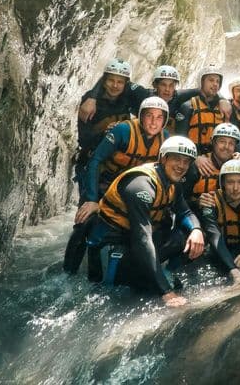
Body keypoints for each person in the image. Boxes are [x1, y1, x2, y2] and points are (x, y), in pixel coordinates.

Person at [85, 136, 205, 307]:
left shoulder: (172, 184)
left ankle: (159, 274)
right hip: (112, 249)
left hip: (135, 245)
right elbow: (142, 238)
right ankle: (152, 280)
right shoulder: (141, 185)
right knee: (157, 289)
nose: (181, 166)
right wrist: (166, 292)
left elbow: (185, 211)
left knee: (185, 235)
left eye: (186, 162)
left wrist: (196, 230)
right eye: (177, 159)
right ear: (163, 158)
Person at [64, 96, 170, 279]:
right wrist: (91, 199)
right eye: (149, 116)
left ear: (164, 120)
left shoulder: (165, 140)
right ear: (141, 116)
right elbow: (95, 161)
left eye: (159, 117)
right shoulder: (123, 130)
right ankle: (68, 273)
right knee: (84, 222)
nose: (153, 122)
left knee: (162, 223)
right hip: (104, 185)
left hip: (132, 190)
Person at [78, 64, 199, 134]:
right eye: (163, 84)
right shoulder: (143, 95)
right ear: (155, 85)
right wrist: (92, 97)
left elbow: (204, 90)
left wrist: (219, 100)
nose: (167, 90)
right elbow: (116, 77)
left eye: (171, 85)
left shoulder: (179, 97)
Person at [74, 59, 134, 190]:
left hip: (117, 163)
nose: (115, 86)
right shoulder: (90, 103)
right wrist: (107, 133)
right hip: (92, 159)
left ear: (125, 84)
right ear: (104, 81)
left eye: (120, 82)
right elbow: (85, 139)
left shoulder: (127, 98)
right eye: (111, 80)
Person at [183, 122, 240, 215]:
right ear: (213, 142)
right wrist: (196, 203)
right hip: (200, 217)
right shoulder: (197, 167)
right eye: (222, 141)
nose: (226, 147)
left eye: (231, 143)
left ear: (235, 147)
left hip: (230, 220)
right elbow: (179, 202)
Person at [175, 64, 231, 155]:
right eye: (211, 80)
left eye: (218, 81)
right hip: (192, 157)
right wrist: (196, 159)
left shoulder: (224, 108)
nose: (215, 84)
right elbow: (180, 140)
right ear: (201, 82)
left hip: (217, 158)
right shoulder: (188, 107)